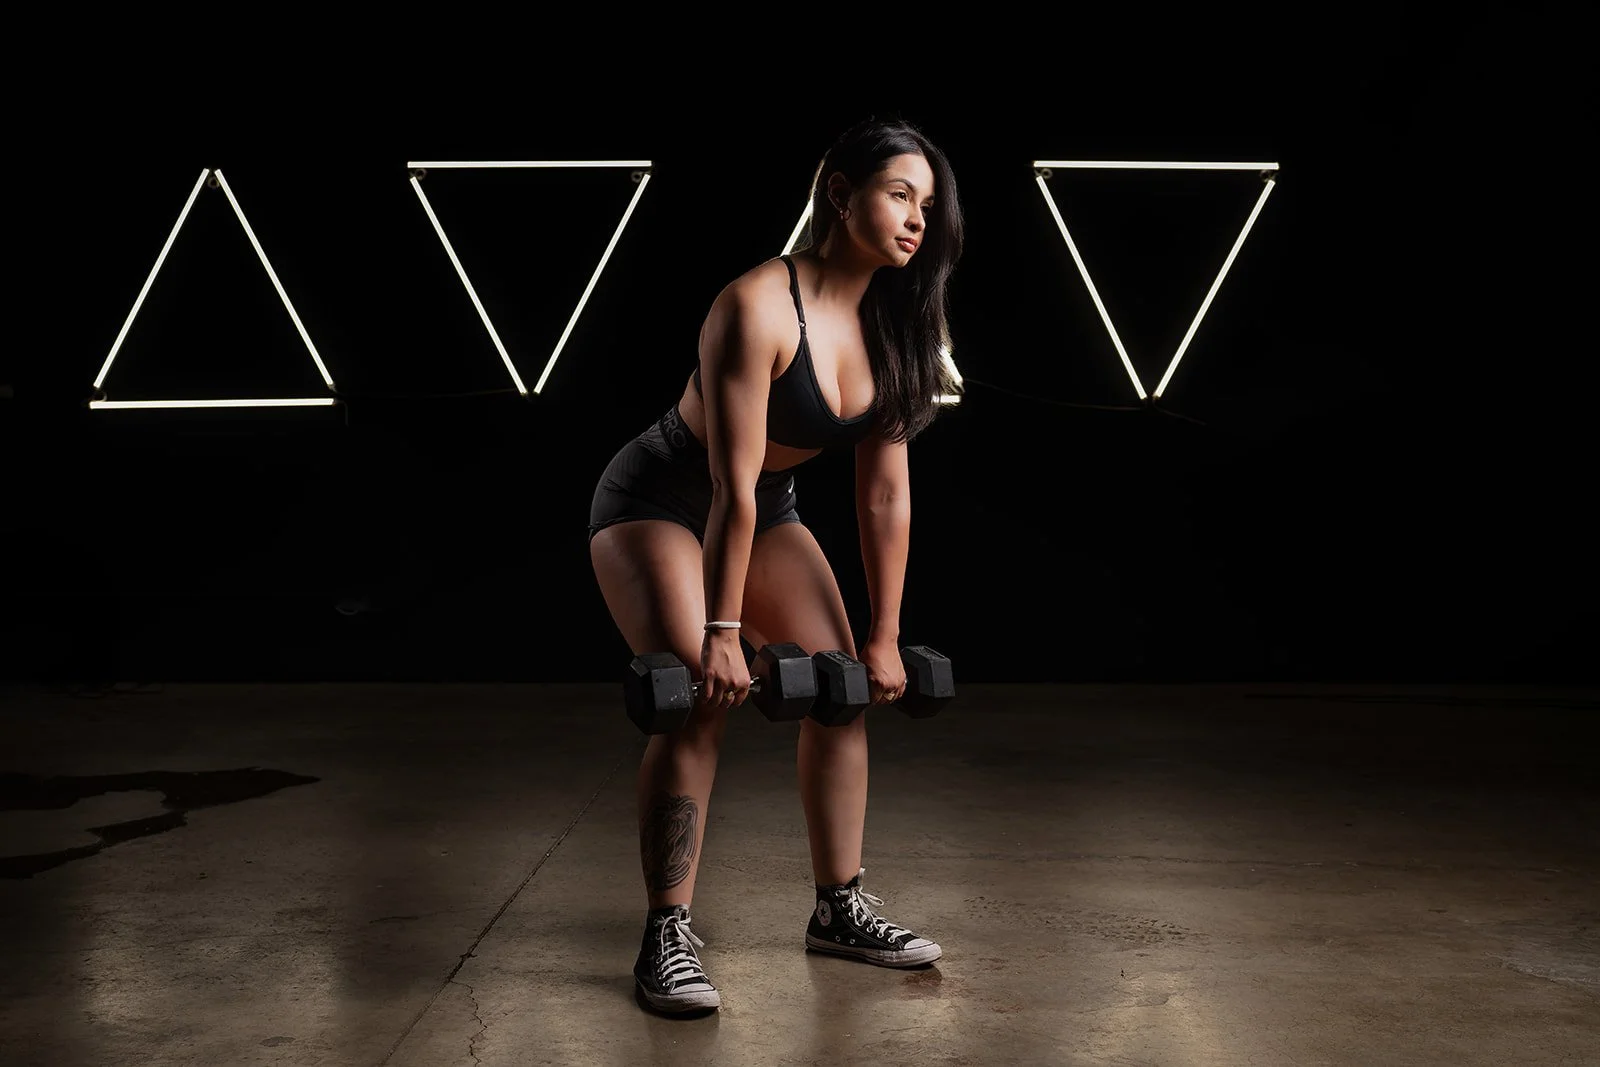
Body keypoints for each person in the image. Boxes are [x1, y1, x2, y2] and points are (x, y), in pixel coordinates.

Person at [587, 115, 965, 1014]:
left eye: (927, 204)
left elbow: (884, 495)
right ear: (840, 192)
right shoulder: (754, 305)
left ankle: (839, 908)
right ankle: (666, 932)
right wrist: (723, 632)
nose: (918, 218)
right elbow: (729, 484)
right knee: (695, 694)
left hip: (766, 508)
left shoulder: (898, 325)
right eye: (898, 194)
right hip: (660, 500)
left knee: (840, 687)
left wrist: (884, 634)